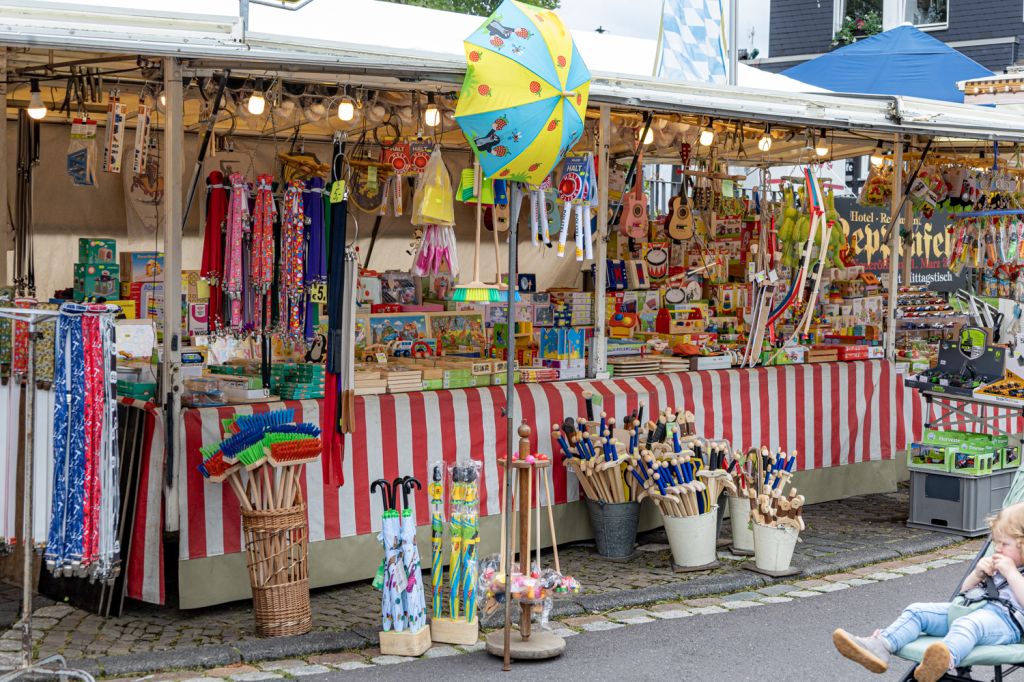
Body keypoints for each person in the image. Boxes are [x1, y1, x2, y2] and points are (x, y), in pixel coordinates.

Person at [833, 502, 1024, 682]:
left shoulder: (1011, 569)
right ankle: (880, 646)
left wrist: (1012, 573)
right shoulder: (1000, 563)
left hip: (1005, 623)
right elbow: (963, 594)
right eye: (996, 542)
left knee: (968, 624)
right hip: (970, 609)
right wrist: (977, 574)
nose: (997, 549)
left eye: (1004, 544)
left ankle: (944, 660)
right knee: (917, 611)